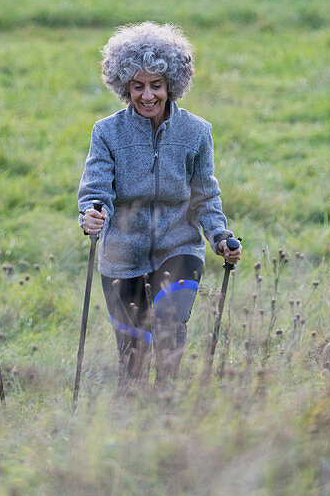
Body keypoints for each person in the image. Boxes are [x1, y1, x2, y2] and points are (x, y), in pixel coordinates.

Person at [77, 21, 240, 390]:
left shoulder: (196, 132)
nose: (147, 95)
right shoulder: (107, 132)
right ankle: (133, 423)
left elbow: (204, 195)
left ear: (171, 84)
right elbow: (95, 188)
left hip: (178, 246)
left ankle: (168, 405)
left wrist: (219, 236)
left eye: (156, 85)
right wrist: (94, 212)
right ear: (125, 87)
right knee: (132, 355)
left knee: (169, 324)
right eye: (137, 86)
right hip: (121, 254)